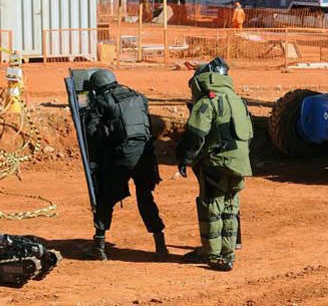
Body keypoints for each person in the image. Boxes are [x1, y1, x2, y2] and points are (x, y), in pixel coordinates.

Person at [176, 57, 253, 271]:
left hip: (216, 163)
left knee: (212, 206)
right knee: (230, 206)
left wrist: (185, 158)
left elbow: (196, 134)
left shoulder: (208, 101)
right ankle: (227, 253)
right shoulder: (238, 100)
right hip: (240, 164)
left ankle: (212, 255)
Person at [84, 69, 168, 261]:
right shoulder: (139, 97)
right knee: (146, 198)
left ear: (98, 87)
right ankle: (160, 243)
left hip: (122, 156)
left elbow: (90, 131)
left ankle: (99, 245)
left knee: (105, 199)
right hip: (146, 155)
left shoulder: (103, 101)